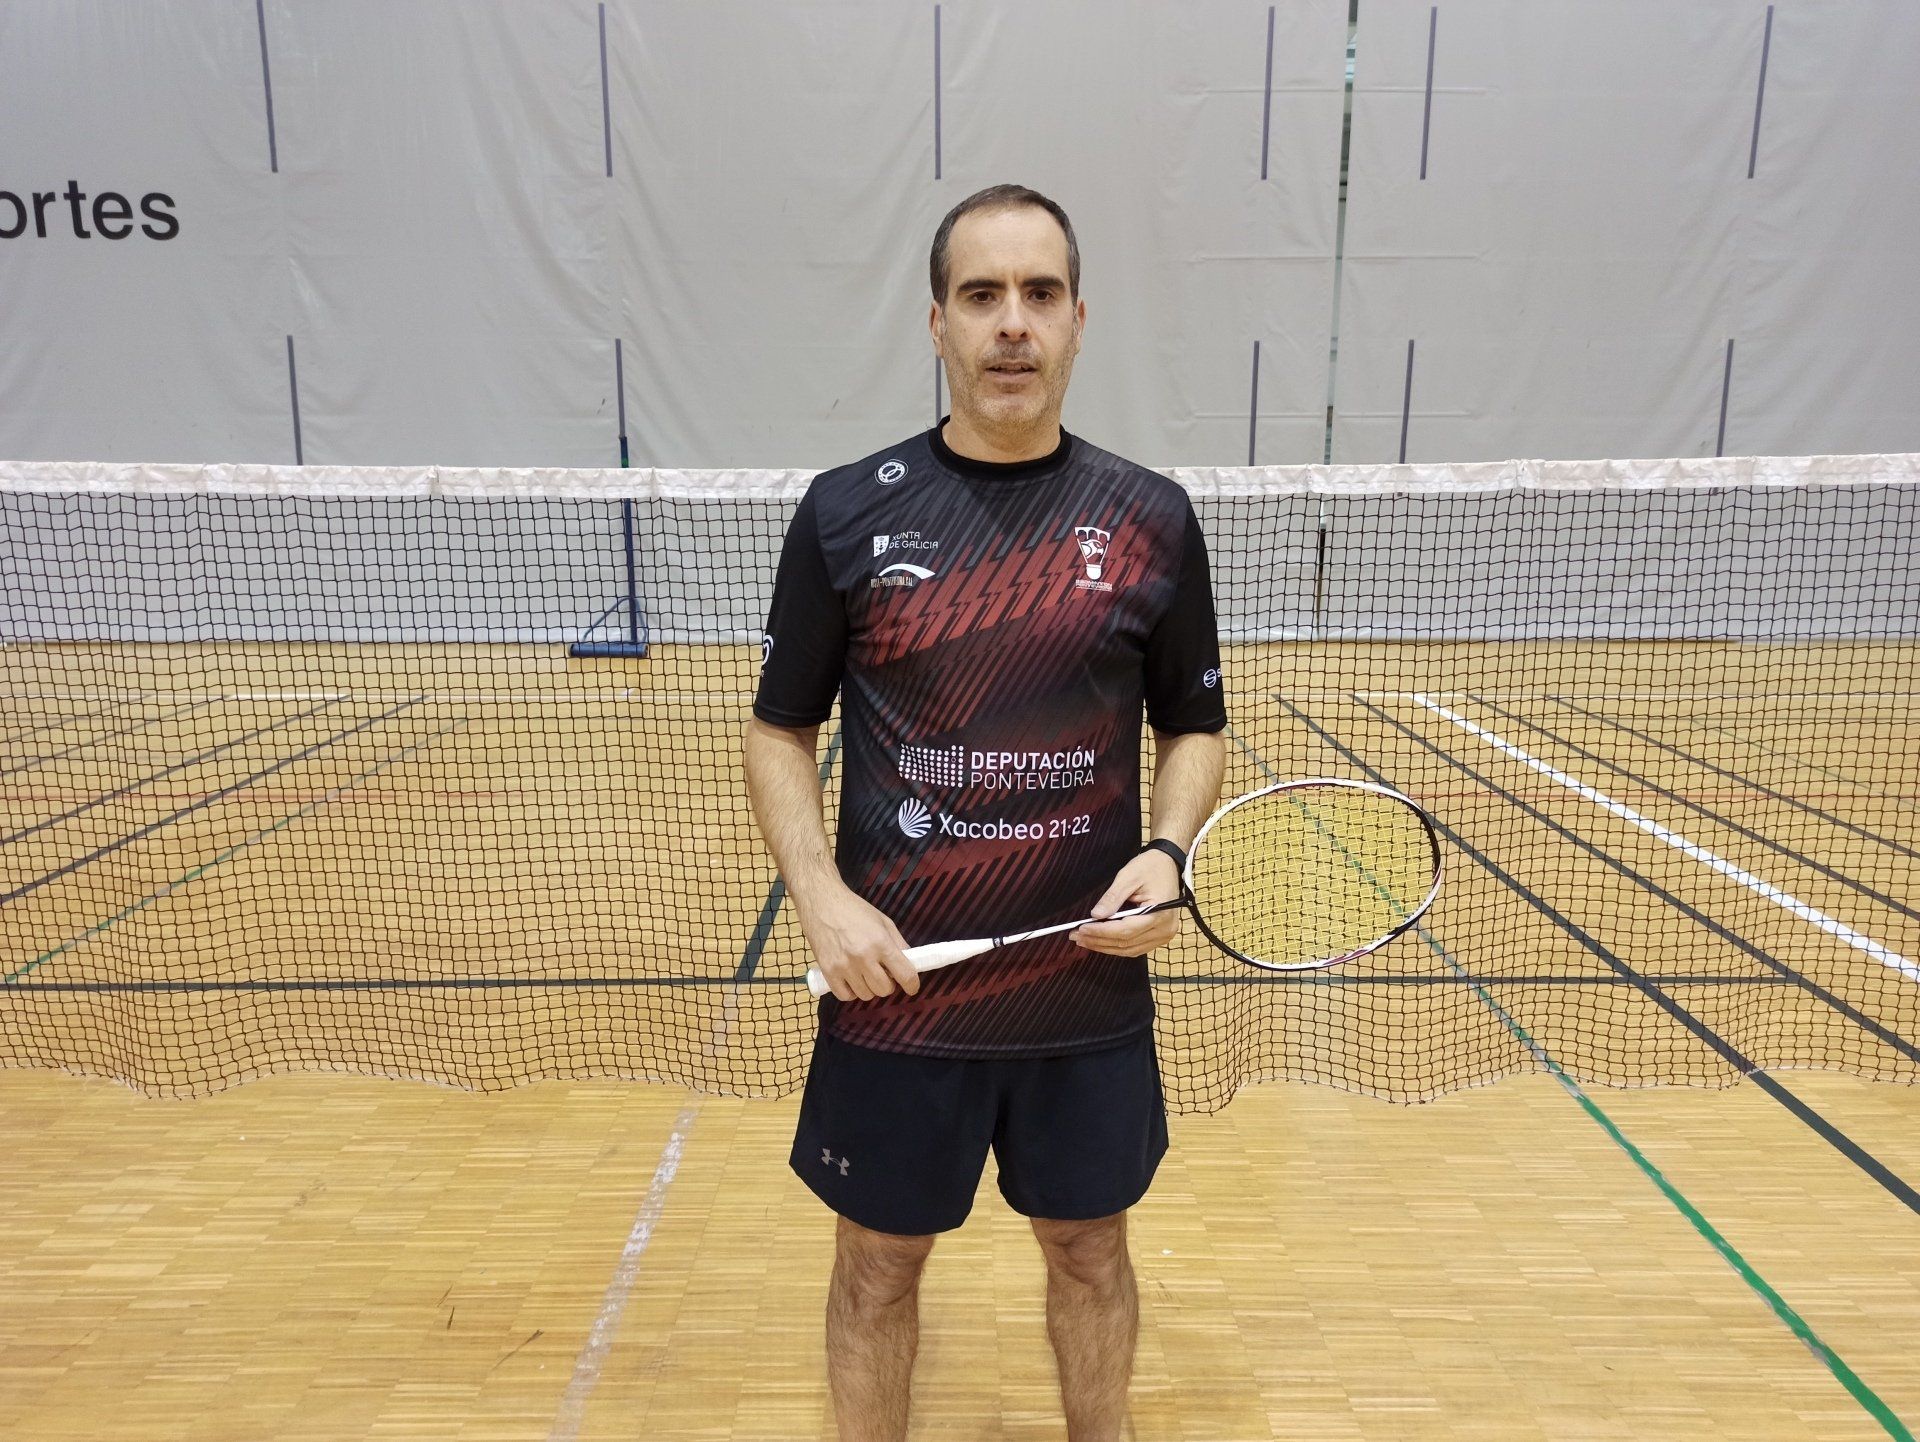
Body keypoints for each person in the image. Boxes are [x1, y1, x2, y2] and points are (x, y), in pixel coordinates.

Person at [743, 183, 1227, 1442]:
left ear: (1078, 319)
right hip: (897, 990)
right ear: (938, 323)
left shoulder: (1151, 518)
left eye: (1039, 292)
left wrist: (1168, 849)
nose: (1013, 321)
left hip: (1084, 988)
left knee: (1089, 1247)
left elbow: (1194, 723)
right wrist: (819, 896)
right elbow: (778, 728)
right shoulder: (846, 513)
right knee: (876, 1265)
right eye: (982, 294)